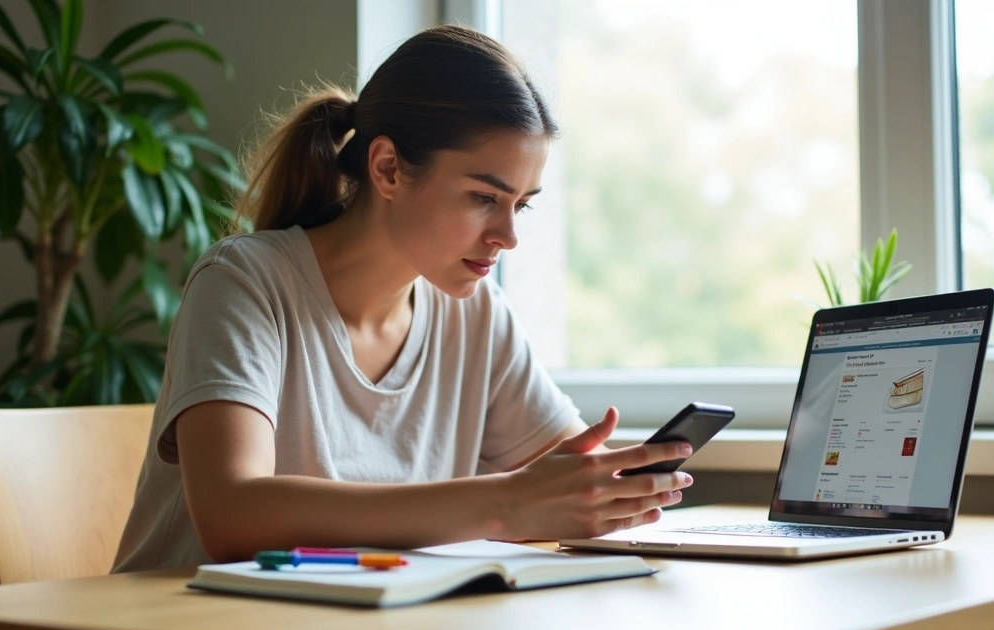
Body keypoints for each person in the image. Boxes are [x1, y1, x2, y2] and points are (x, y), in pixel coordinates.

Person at [112, 24, 692, 572]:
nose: (508, 237)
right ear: (388, 168)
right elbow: (232, 516)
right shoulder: (245, 282)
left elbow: (569, 482)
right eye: (483, 198)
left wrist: (612, 491)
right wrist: (505, 503)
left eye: (522, 204)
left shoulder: (477, 314)